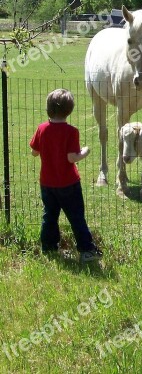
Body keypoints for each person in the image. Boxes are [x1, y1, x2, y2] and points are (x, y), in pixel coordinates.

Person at [30, 88, 102, 264]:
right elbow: (72, 158)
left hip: (47, 183)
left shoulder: (42, 129)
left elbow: (34, 152)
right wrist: (85, 152)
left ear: (48, 108)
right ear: (69, 110)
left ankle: (48, 247)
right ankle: (86, 250)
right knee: (76, 216)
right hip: (68, 184)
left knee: (49, 215)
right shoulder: (71, 131)